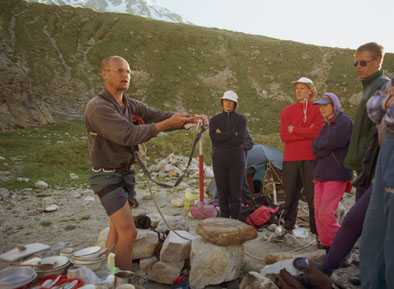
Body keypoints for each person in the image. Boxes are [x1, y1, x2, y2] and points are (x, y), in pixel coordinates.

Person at [84, 56, 206, 271]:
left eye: (128, 72)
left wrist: (189, 119)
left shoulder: (129, 104)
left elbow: (156, 115)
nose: (125, 76)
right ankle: (123, 280)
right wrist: (165, 124)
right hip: (106, 176)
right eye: (120, 71)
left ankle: (110, 273)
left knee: (116, 229)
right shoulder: (98, 107)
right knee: (129, 233)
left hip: (124, 173)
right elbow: (128, 135)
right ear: (105, 73)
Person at [322, 42, 390, 275]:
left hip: (376, 170)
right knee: (366, 224)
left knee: (362, 223)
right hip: (370, 168)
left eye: (363, 63)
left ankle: (332, 266)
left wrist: (369, 167)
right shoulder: (371, 87)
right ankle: (359, 269)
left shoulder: (382, 87)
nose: (358, 67)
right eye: (355, 63)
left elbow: (378, 133)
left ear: (378, 61)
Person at [360, 79, 394, 289]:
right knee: (375, 229)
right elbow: (373, 109)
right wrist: (386, 102)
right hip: (388, 153)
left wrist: (387, 104)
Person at [279, 77, 323, 235]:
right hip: (290, 158)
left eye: (302, 88)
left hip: (311, 158)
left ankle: (316, 231)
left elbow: (317, 132)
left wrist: (295, 129)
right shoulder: (287, 111)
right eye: (297, 88)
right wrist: (306, 131)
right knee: (290, 195)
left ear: (310, 90)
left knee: (312, 197)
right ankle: (286, 227)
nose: (298, 91)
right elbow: (284, 136)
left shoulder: (318, 109)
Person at [312, 93, 352, 251]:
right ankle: (328, 246)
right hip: (321, 173)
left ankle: (341, 247)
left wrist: (322, 147)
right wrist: (323, 147)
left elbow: (332, 142)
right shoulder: (326, 125)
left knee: (326, 213)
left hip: (336, 173)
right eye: (320, 106)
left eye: (325, 105)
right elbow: (316, 146)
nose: (321, 109)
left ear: (334, 105)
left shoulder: (345, 122)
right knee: (318, 213)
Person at [209, 90, 248, 219]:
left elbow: (240, 139)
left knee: (236, 193)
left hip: (236, 160)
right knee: (222, 192)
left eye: (231, 102)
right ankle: (225, 220)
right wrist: (232, 133)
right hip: (220, 160)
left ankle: (235, 221)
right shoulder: (214, 119)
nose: (228, 104)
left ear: (235, 104)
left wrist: (222, 135)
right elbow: (214, 138)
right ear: (222, 102)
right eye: (226, 101)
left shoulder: (241, 119)